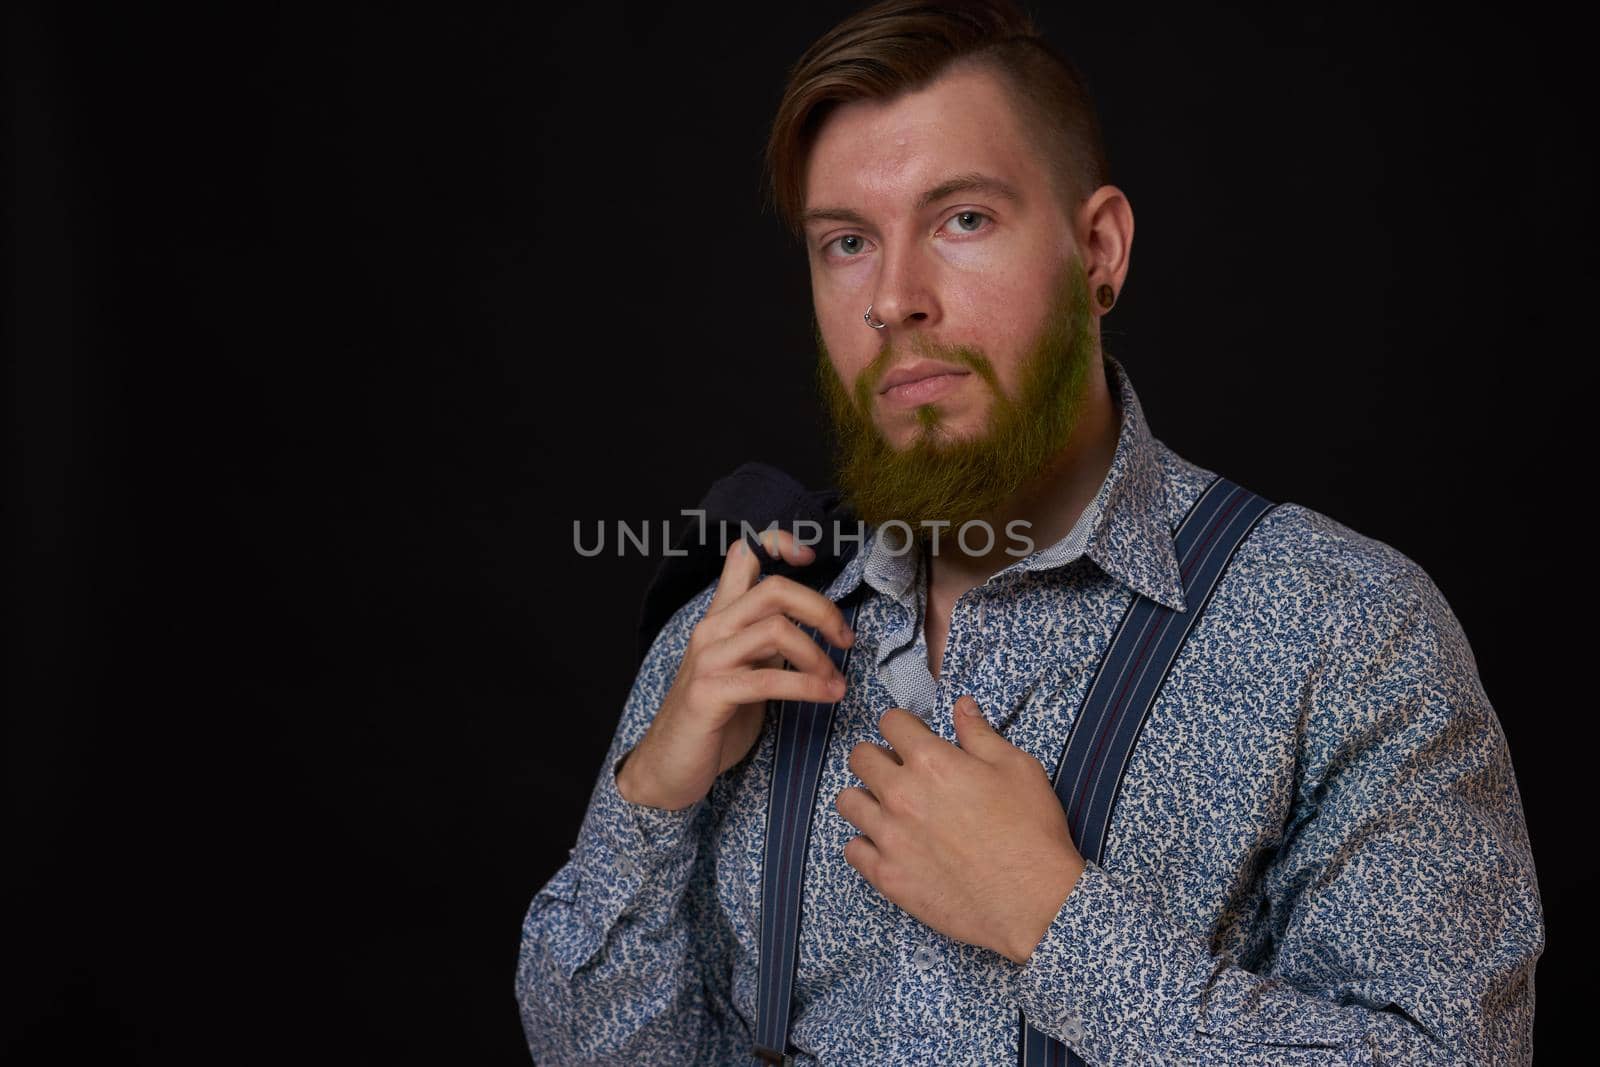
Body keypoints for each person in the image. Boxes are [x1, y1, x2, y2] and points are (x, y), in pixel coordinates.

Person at [514, 1, 1544, 1063]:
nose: (895, 299)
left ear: (1097, 249)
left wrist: (1056, 923)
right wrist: (648, 796)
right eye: (846, 242)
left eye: (962, 219)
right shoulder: (732, 630)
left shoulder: (1345, 629)